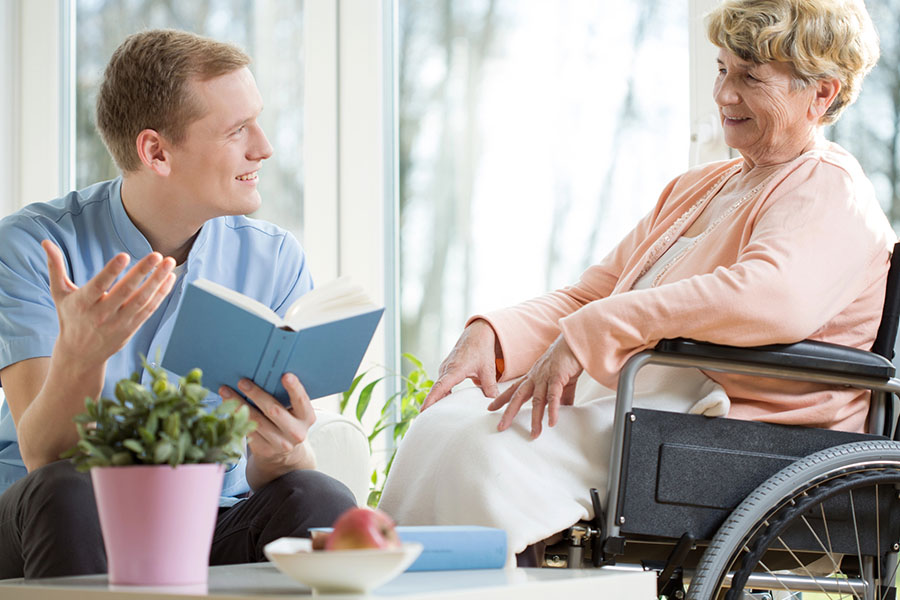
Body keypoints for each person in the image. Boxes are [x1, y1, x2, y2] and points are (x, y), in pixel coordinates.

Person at [378, 0, 895, 565]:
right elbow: (590, 296)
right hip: (649, 398)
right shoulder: (700, 187)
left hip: (727, 422)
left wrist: (596, 331)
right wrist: (493, 335)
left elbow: (773, 298)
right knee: (443, 426)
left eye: (750, 76)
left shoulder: (830, 187)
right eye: (722, 69)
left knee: (484, 450)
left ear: (822, 93)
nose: (724, 94)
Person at [0, 30, 356, 579]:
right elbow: (44, 456)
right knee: (70, 490)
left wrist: (282, 452)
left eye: (256, 122)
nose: (263, 147)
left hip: (207, 516)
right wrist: (79, 359)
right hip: (55, 514)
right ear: (156, 152)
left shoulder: (276, 261)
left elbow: (272, 473)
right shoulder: (34, 248)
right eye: (237, 130)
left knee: (317, 497)